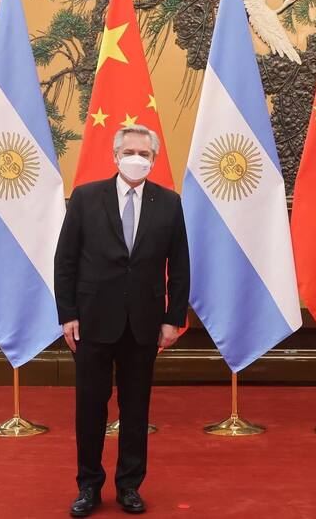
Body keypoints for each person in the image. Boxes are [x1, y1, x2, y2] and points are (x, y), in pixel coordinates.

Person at [55, 124, 190, 516]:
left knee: (135, 409)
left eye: (144, 154)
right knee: (90, 408)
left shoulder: (169, 203)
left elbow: (180, 266)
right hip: (92, 321)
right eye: (129, 152)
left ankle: (129, 485)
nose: (136, 159)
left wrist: (173, 319)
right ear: (115, 156)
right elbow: (65, 261)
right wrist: (68, 314)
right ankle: (88, 486)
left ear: (154, 159)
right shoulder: (85, 198)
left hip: (144, 323)